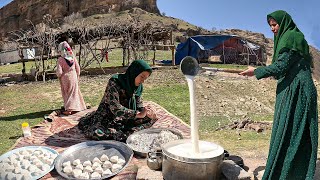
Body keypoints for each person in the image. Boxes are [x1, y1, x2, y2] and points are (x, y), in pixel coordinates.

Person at [239, 10, 318, 179]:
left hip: (298, 91)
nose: (272, 29)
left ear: (284, 23)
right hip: (291, 89)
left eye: (275, 25)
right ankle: (288, 172)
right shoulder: (287, 39)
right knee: (289, 132)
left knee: (293, 132)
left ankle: (291, 173)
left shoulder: (291, 38)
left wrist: (256, 71)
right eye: (270, 26)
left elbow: (281, 67)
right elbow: (281, 69)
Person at [78, 60, 157, 142]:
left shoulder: (138, 87)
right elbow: (115, 108)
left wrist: (146, 111)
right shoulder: (115, 82)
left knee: (152, 118)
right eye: (142, 77)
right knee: (97, 133)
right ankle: (126, 134)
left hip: (127, 117)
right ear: (134, 72)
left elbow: (138, 105)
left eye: (145, 78)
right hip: (109, 117)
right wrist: (138, 114)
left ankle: (125, 134)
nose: (143, 81)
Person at [56, 41, 86, 115]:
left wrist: (58, 74)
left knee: (67, 93)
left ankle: (69, 109)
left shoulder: (61, 59)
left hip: (65, 77)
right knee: (74, 92)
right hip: (73, 76)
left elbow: (59, 72)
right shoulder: (72, 57)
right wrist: (77, 76)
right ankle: (77, 107)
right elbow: (78, 69)